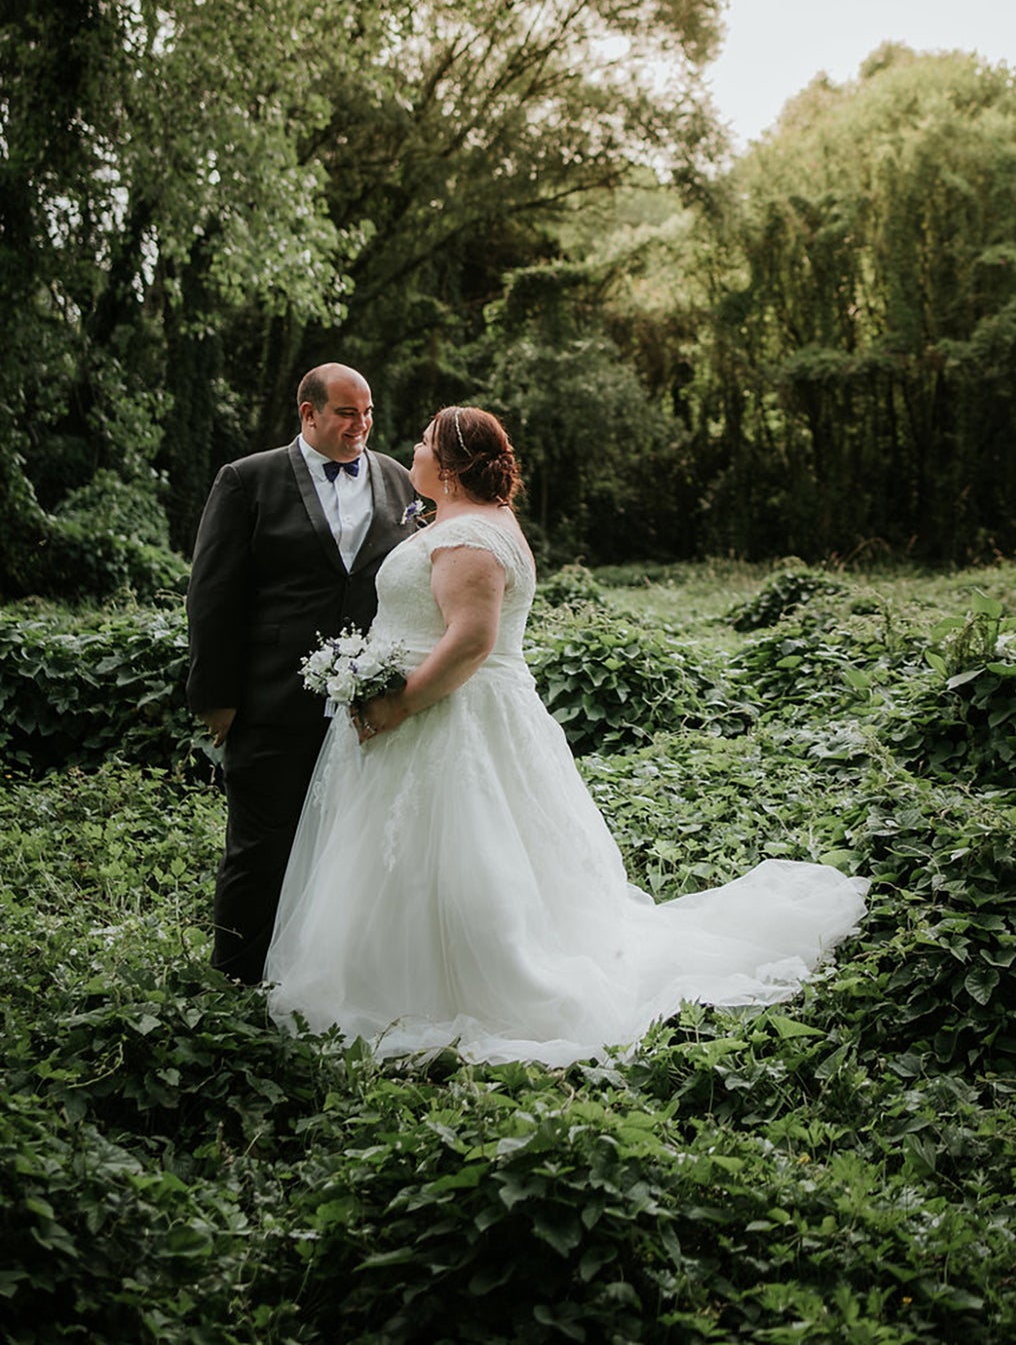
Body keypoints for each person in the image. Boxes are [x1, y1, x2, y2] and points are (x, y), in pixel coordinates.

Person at [264, 405, 868, 1065]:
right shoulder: (470, 521)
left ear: (451, 465)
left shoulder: (467, 536)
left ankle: (460, 986)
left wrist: (399, 705)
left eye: (425, 443)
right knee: (436, 855)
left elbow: (470, 642)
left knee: (460, 854)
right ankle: (391, 964)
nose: (410, 450)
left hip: (450, 718)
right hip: (455, 712)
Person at [186, 363, 417, 983]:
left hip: (370, 704)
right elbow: (213, 593)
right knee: (261, 847)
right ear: (308, 413)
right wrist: (216, 696)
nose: (360, 425)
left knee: (352, 848)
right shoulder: (246, 480)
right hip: (269, 699)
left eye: (368, 412)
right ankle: (235, 980)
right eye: (346, 413)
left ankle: (327, 978)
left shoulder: (398, 480)